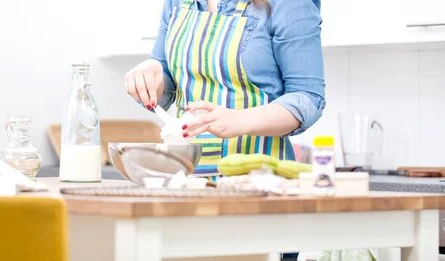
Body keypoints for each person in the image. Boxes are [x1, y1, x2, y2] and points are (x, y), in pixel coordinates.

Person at [125, 0, 325, 180]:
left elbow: (307, 97)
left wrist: (242, 120)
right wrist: (149, 78)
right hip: (185, 180)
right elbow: (165, 74)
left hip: (259, 182)